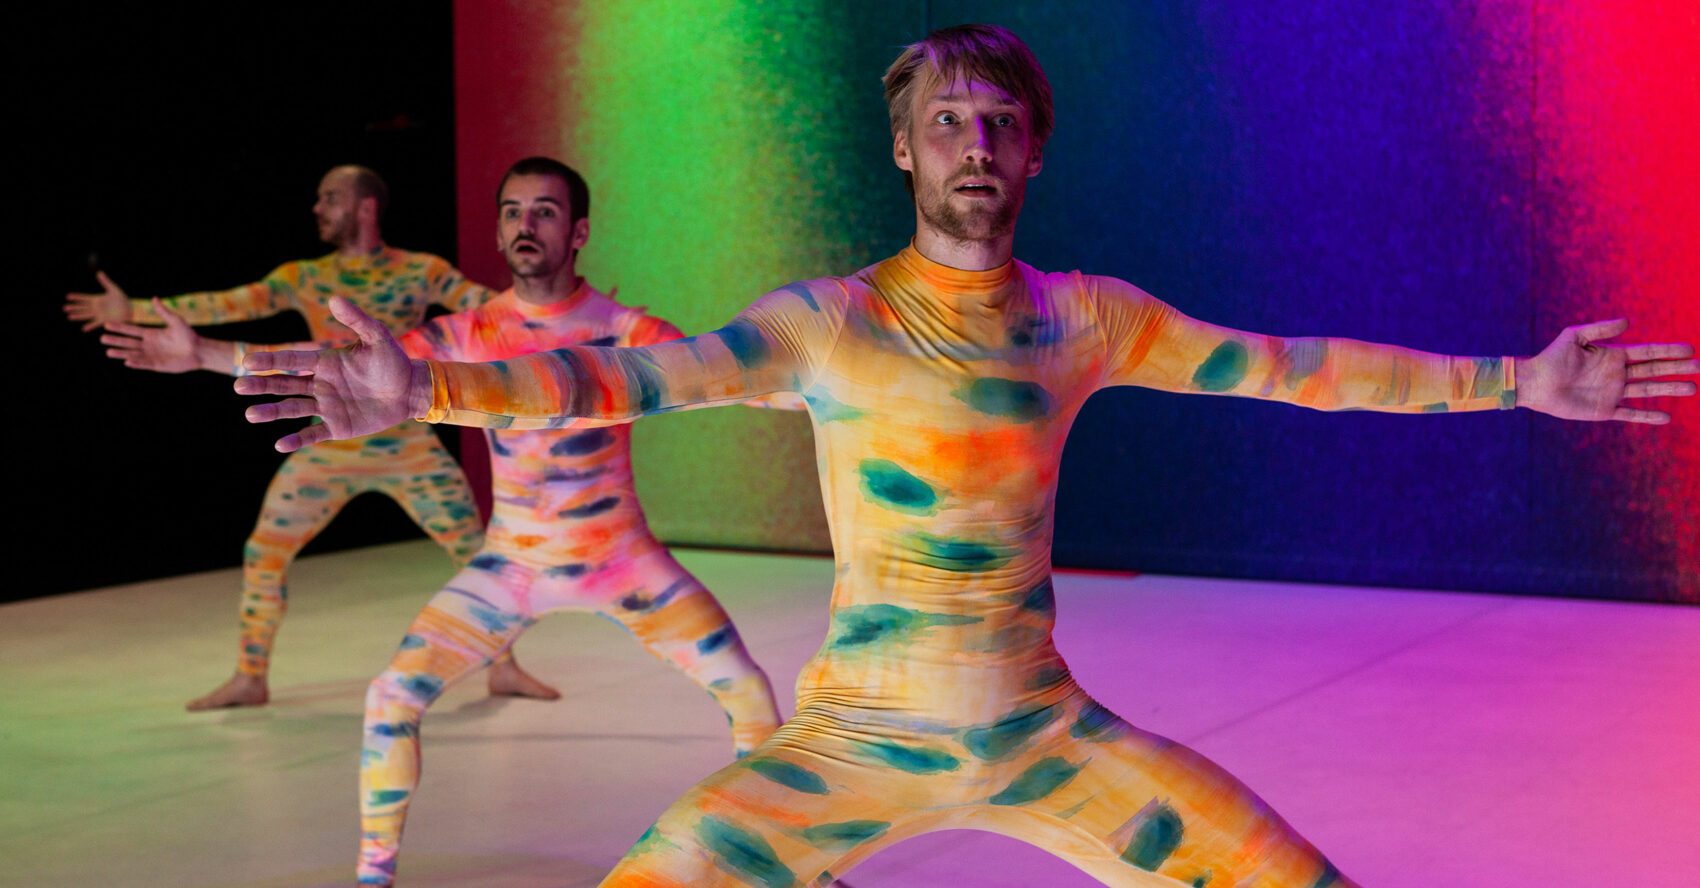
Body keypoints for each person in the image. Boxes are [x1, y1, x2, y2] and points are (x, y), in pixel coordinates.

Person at [231, 26, 1698, 888]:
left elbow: (1297, 370)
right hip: (847, 744)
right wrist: (427, 381)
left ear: (1036, 152)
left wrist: (1521, 382)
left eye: (1001, 122)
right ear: (905, 154)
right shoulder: (826, 324)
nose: (975, 142)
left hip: (1050, 735)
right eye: (947, 123)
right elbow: (626, 377)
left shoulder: (1084, 321)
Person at [107, 156, 790, 886]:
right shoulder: (471, 330)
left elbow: (727, 380)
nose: (525, 225)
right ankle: (374, 877)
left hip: (620, 561)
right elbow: (337, 364)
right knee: (391, 694)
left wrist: (815, 385)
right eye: (512, 211)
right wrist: (205, 353)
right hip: (512, 567)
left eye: (545, 212)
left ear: (580, 230)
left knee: (747, 690)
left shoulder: (626, 329)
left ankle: (792, 864)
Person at [68, 164, 558, 710]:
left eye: (330, 198)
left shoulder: (421, 270)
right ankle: (251, 676)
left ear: (365, 207)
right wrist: (132, 310)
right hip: (328, 443)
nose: (318, 208)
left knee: (474, 550)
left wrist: (557, 313)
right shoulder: (303, 275)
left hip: (407, 447)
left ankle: (505, 666)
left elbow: (491, 308)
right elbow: (228, 302)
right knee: (264, 551)